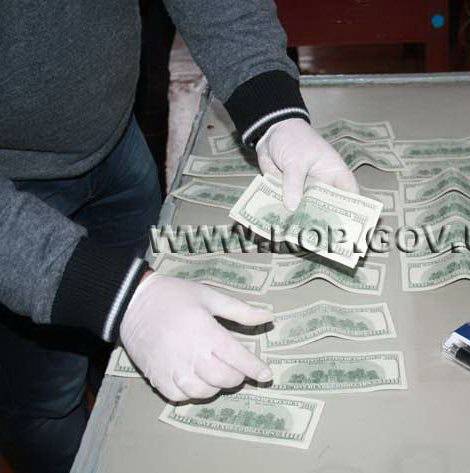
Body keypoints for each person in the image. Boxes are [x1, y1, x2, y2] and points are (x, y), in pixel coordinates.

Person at [0, 2, 358, 472]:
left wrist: (274, 113)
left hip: (114, 140)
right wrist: (118, 297)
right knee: (44, 405)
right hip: (13, 192)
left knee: (125, 370)